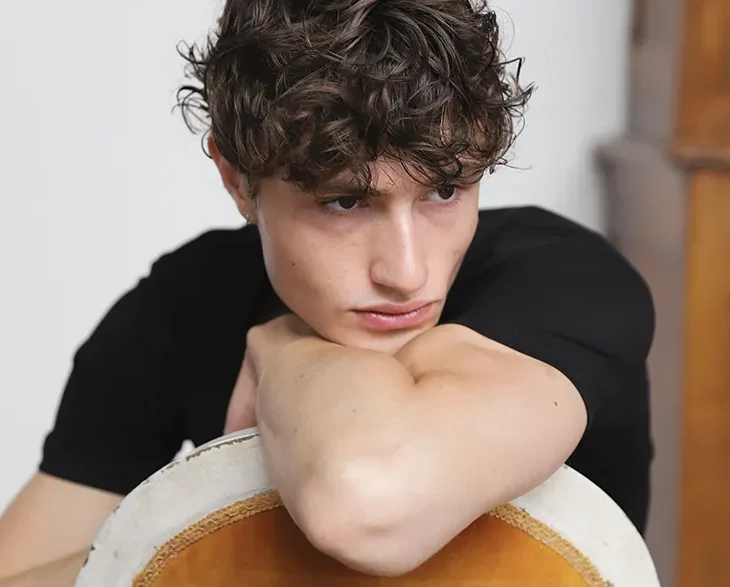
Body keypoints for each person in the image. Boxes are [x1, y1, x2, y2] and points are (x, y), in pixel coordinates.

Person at [0, 0, 655, 584]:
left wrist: (282, 349)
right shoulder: (185, 302)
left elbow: (368, 501)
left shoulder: (567, 281)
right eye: (344, 202)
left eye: (445, 190)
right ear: (236, 179)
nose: (407, 272)